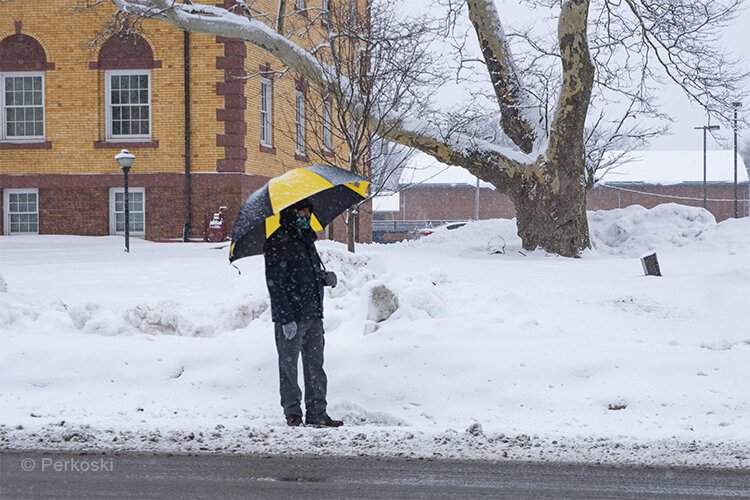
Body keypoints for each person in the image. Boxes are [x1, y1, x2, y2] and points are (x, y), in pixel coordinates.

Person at [263, 198, 344, 428]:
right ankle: (293, 413)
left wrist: (324, 278)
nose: (306, 217)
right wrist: (286, 319)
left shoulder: (308, 240)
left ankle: (318, 412)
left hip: (313, 313)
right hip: (291, 317)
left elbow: (308, 273)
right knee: (288, 367)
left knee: (315, 366)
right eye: (302, 212)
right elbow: (276, 284)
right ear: (290, 213)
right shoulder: (277, 241)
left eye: (308, 213)